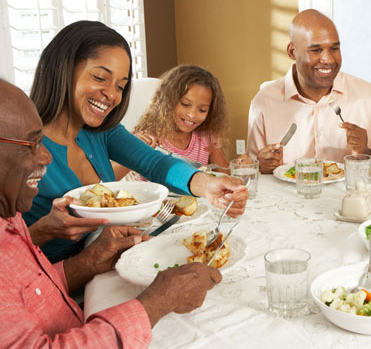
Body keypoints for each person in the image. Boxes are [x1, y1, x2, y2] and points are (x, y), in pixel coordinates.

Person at [0, 78, 224, 347]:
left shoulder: (10, 219)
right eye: (31, 144)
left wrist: (90, 262)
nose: (46, 157)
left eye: (121, 85)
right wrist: (157, 302)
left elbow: (33, 292)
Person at [26, 21, 248, 262]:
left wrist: (206, 185)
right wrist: (41, 232)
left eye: (120, 86)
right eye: (100, 77)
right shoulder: (19, 146)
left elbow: (155, 163)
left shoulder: (101, 131)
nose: (112, 95)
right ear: (63, 69)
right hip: (47, 282)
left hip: (106, 264)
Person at [247, 9, 371, 173]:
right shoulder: (264, 102)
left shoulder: (367, 96)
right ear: (292, 52)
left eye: (334, 48)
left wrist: (366, 153)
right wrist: (260, 167)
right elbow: (250, 173)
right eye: (316, 50)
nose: (328, 59)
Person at [113, 65, 230, 180]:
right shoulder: (149, 137)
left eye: (202, 110)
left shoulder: (206, 138)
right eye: (185, 104)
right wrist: (135, 150)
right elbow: (110, 177)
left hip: (196, 198)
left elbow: (225, 175)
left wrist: (215, 149)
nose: (192, 114)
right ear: (168, 102)